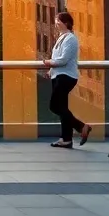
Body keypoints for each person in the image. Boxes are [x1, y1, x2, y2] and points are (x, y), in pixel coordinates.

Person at [42, 11, 91, 149]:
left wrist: (48, 63)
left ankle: (81, 127)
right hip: (59, 76)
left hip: (66, 77)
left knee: (55, 106)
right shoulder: (61, 37)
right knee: (62, 107)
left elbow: (63, 60)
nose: (56, 23)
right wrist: (50, 70)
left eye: (58, 20)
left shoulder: (70, 39)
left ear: (66, 23)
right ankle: (66, 139)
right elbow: (58, 57)